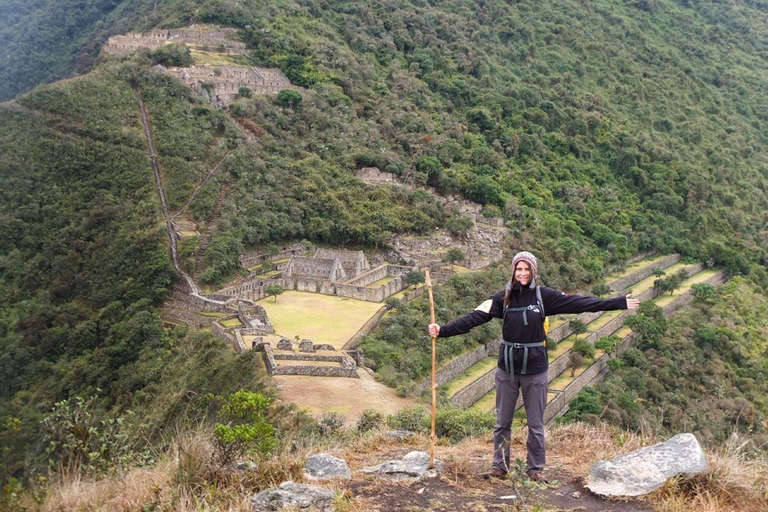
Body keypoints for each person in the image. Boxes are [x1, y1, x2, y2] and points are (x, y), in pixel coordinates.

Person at [428, 251, 640, 481]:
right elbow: (474, 317)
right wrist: (443, 330)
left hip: (535, 370)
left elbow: (579, 303)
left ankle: (535, 470)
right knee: (502, 423)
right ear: (513, 271)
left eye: (526, 269)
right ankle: (499, 466)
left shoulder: (543, 296)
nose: (522, 273)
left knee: (536, 424)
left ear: (533, 271)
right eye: (519, 269)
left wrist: (617, 303)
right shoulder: (503, 298)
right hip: (507, 369)